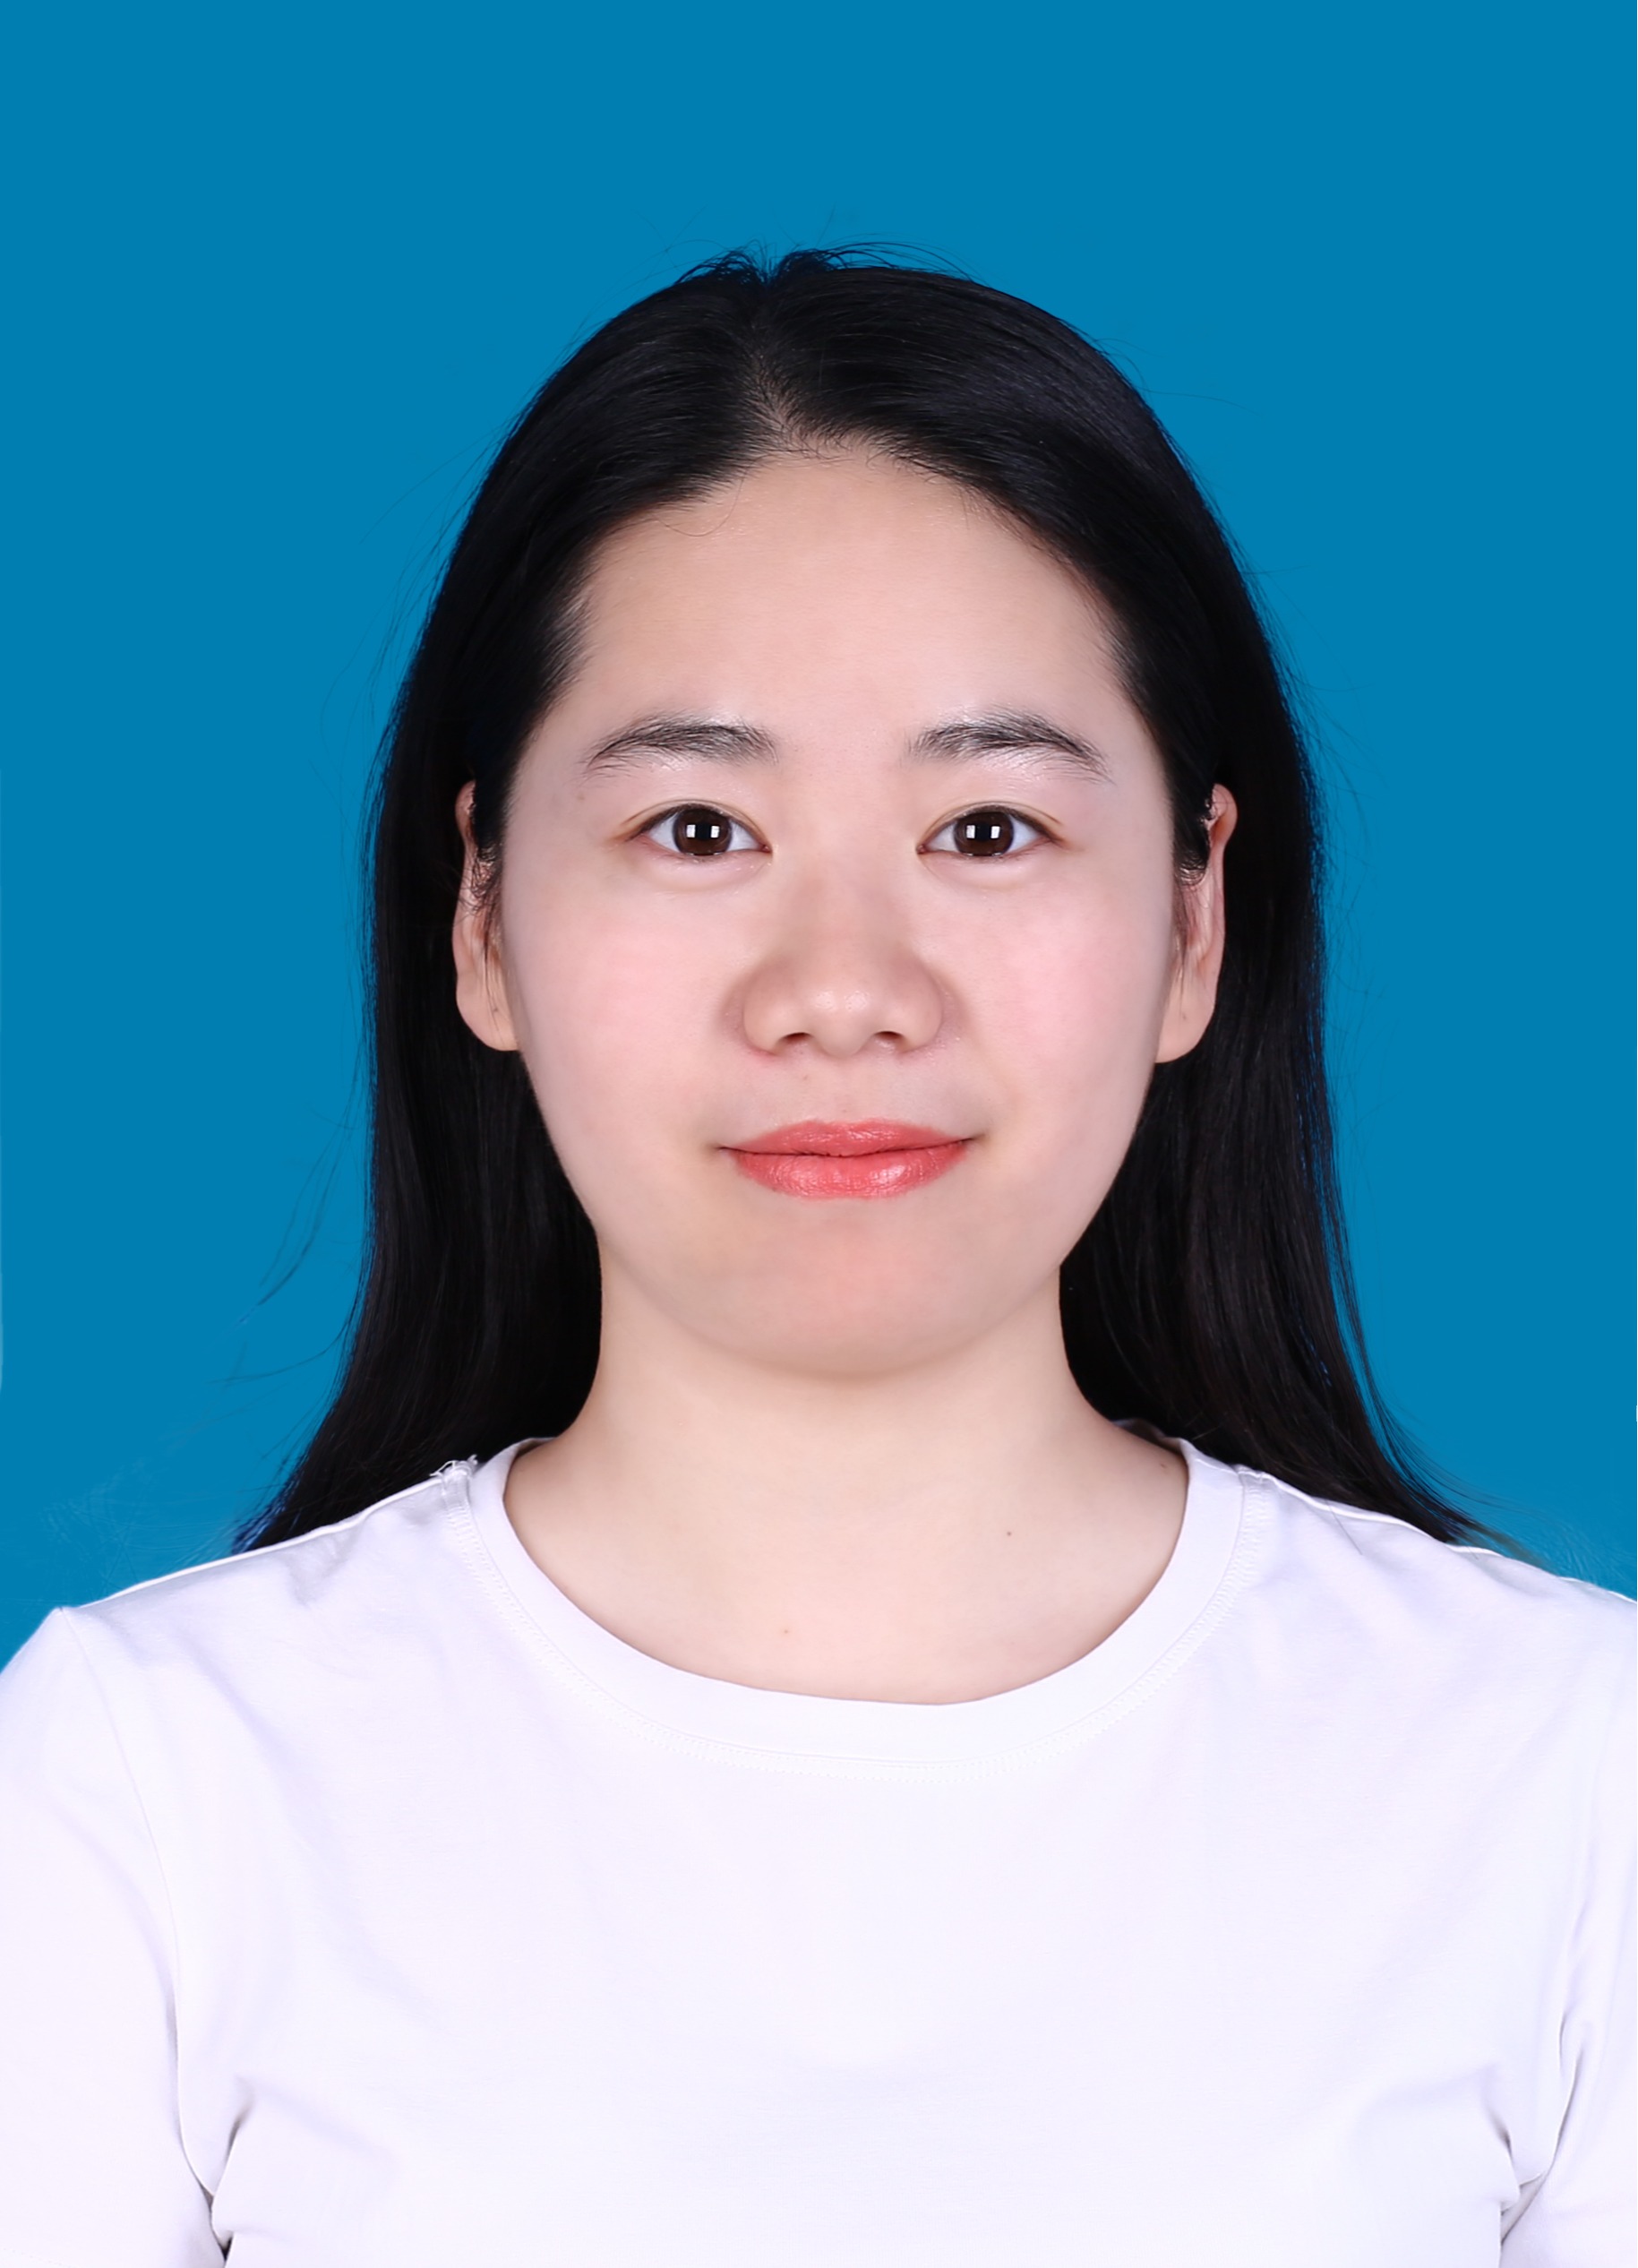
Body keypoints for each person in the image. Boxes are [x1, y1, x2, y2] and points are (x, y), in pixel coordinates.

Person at [0, 251, 1629, 2267]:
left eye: (988, 830)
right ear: (482, 920)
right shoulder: (150, 1792)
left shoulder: (1565, 1777)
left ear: (1195, 923)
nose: (842, 989)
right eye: (698, 829)